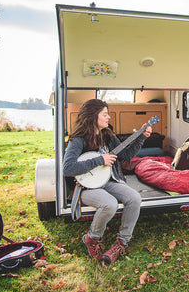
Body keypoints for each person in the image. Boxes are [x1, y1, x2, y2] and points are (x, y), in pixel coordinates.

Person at [63, 99, 152, 264]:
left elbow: (125, 156)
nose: (109, 117)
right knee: (109, 204)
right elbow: (68, 168)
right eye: (105, 114)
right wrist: (99, 160)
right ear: (93, 115)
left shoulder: (107, 135)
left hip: (109, 181)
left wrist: (141, 137)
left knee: (134, 198)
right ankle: (92, 238)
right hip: (85, 187)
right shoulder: (78, 139)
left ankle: (122, 242)